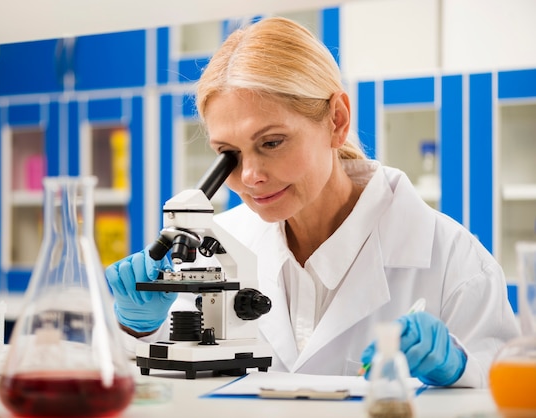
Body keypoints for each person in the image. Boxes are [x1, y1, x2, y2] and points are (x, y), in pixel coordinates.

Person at [105, 16, 520, 388]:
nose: (250, 176)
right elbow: (159, 391)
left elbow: (507, 392)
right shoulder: (218, 248)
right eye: (227, 153)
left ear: (337, 120)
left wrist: (462, 372)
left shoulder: (455, 262)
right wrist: (137, 328)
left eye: (272, 142)